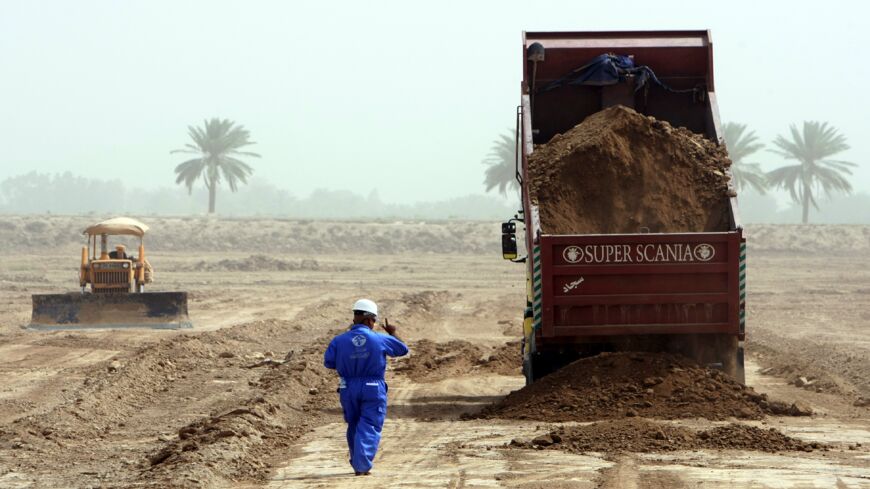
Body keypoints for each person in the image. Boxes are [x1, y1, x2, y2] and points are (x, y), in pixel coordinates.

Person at [323, 299, 408, 476]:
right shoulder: (379, 338)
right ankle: (361, 465)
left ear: (355, 317)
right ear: (370, 320)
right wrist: (393, 333)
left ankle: (357, 461)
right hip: (372, 386)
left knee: (354, 423)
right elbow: (402, 349)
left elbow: (329, 362)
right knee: (369, 423)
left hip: (348, 386)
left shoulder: (339, 340)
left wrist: (349, 363)